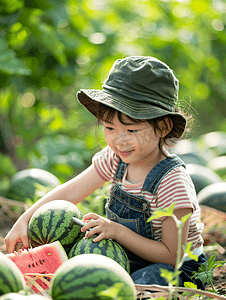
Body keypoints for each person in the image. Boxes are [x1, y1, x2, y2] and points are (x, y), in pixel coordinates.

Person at [5, 56, 207, 289]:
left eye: (131, 130)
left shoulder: (172, 182)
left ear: (163, 126)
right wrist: (24, 220)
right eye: (110, 128)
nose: (119, 140)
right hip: (126, 255)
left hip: (175, 269)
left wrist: (117, 232)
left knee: (143, 282)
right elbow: (69, 193)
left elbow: (172, 256)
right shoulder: (115, 158)